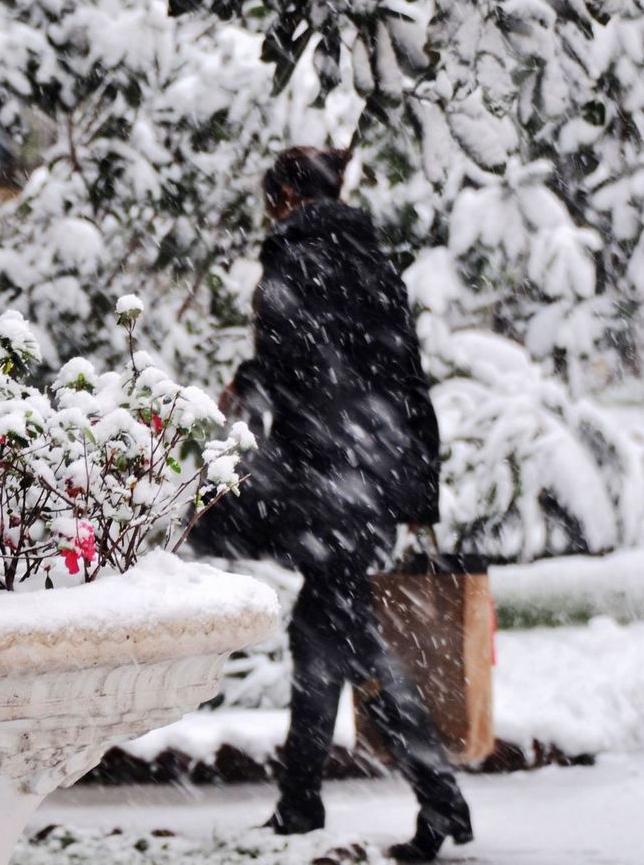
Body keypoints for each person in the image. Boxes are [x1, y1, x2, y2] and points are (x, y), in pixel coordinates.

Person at [190, 146, 473, 863]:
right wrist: (415, 491)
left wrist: (247, 392)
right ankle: (300, 805)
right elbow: (404, 376)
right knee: (320, 636)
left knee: (346, 641)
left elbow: (293, 364)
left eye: (271, 199)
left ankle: (438, 800)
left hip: (323, 478)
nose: (269, 212)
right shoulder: (373, 260)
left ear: (286, 196)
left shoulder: (295, 260)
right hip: (369, 477)